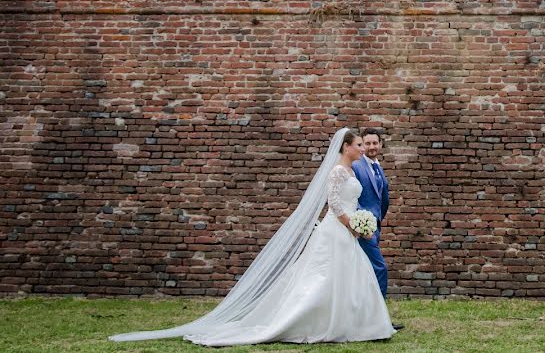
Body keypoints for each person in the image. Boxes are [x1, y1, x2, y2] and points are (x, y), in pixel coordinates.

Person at [109, 128, 396, 345]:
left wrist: (360, 222)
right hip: (339, 229)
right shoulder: (336, 172)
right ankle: (307, 320)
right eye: (359, 144)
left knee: (349, 277)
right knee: (321, 277)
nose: (363, 148)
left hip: (348, 230)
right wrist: (353, 225)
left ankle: (354, 322)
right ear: (346, 147)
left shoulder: (351, 171)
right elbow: (333, 206)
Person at [352, 127, 404, 330]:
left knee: (366, 273)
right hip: (362, 228)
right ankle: (379, 321)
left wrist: (377, 221)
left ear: (381, 145)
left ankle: (366, 319)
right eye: (368, 143)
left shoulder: (377, 166)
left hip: (375, 226)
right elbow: (351, 196)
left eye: (375, 143)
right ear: (362, 145)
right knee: (379, 268)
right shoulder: (357, 166)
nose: (372, 147)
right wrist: (361, 223)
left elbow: (382, 198)